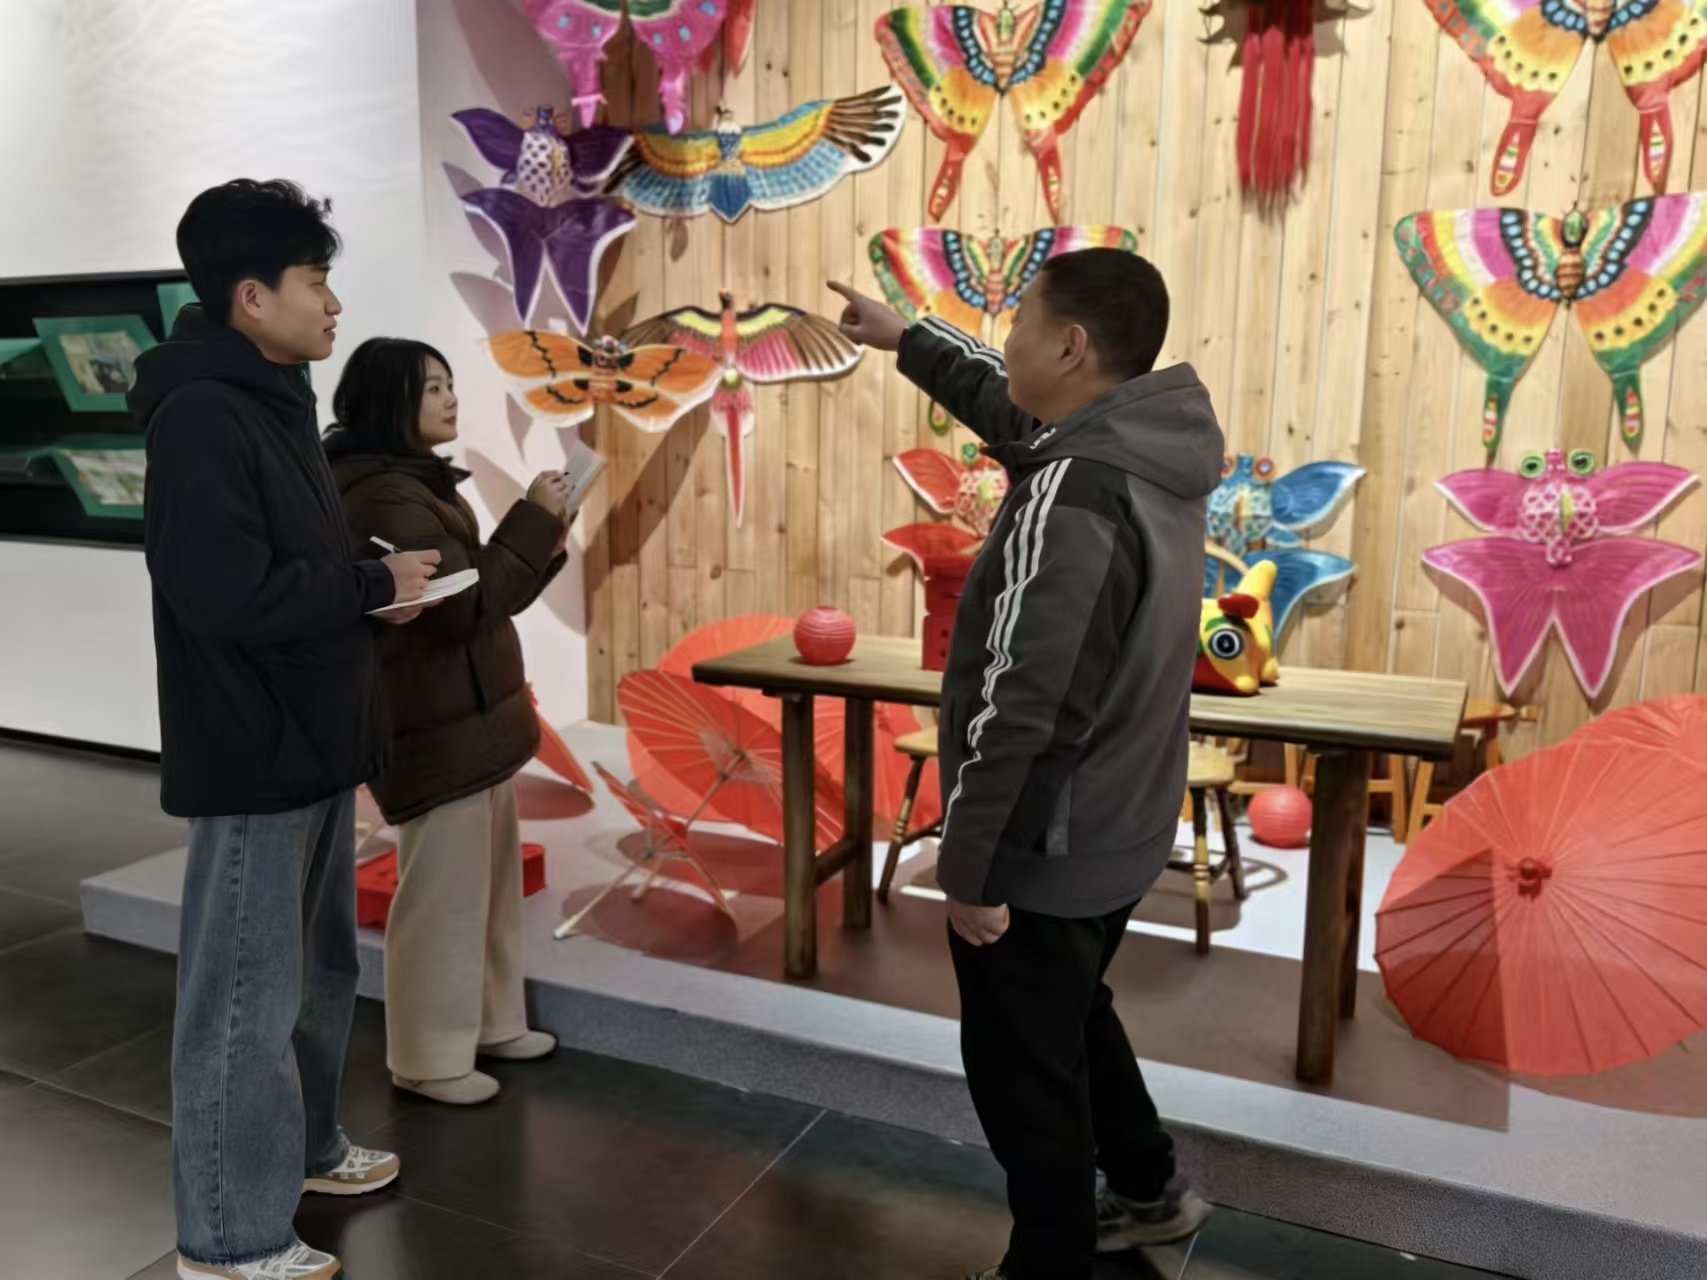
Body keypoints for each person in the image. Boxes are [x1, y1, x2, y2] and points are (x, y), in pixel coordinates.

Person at [830, 251, 1223, 1280]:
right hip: (1119, 821)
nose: (1004, 343)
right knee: (1070, 1012)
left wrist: (972, 864)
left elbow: (1029, 705)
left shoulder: (1074, 492)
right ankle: (1149, 1188)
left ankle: (1046, 1263)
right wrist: (906, 338)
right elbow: (1008, 408)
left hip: (1046, 841)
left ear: (1070, 346)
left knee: (1022, 1070)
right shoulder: (1146, 444)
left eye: (1019, 325)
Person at [134, 179, 440, 1280]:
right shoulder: (202, 415)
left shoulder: (274, 397)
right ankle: (229, 1235)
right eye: (317, 282)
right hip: (254, 753)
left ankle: (304, 1152)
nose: (334, 304)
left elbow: (292, 569)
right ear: (252, 296)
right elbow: (227, 593)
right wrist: (367, 585)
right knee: (242, 1004)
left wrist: (369, 588)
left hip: (315, 742)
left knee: (315, 977)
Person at [325, 338, 573, 1106]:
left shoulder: (416, 482)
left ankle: (493, 1024)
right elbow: (462, 605)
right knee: (443, 900)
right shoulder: (382, 496)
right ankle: (428, 1059)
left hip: (472, 720)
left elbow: (486, 594)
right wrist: (532, 520)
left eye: (448, 383)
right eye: (431, 386)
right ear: (388, 401)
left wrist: (542, 529)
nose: (449, 398)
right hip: (433, 725)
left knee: (490, 891)